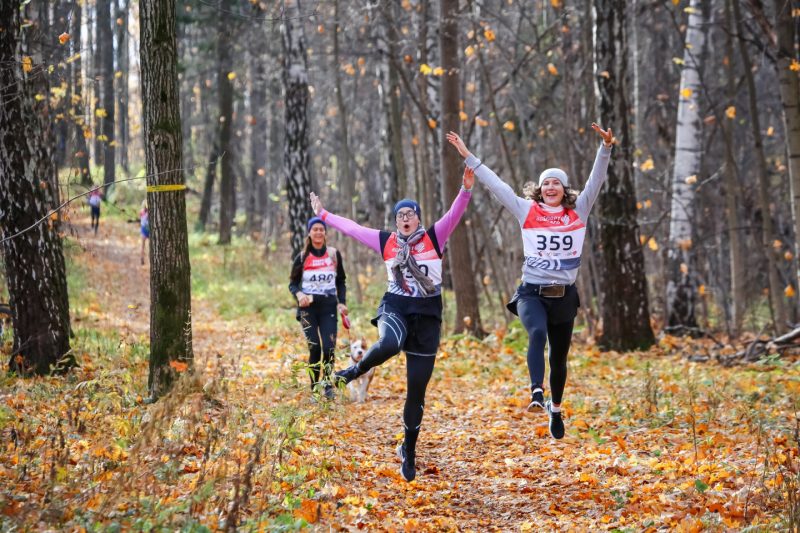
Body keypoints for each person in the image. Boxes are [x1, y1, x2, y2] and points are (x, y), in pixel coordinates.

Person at [446, 124, 615, 440]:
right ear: (539, 190)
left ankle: (556, 406)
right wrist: (468, 156)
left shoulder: (579, 210)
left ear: (565, 190)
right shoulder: (526, 210)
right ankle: (536, 392)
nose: (551, 186)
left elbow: (596, 180)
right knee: (537, 332)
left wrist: (605, 148)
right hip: (531, 292)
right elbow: (498, 187)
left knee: (559, 358)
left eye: (557, 183)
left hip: (564, 296)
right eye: (546, 183)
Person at [310, 167, 474, 482]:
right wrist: (325, 214)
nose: (406, 219)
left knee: (416, 392)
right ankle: (350, 373)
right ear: (396, 220)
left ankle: (408, 449)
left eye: (411, 214)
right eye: (401, 216)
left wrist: (465, 189)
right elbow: (354, 228)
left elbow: (456, 212)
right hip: (395, 306)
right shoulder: (386, 241)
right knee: (389, 343)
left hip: (427, 315)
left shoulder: (434, 236)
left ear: (419, 218)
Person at [288, 217, 348, 400]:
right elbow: (292, 283)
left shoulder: (333, 255)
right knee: (314, 348)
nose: (318, 232)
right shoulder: (302, 257)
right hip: (308, 310)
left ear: (325, 233)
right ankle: (314, 389)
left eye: (321, 229)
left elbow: (341, 281)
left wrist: (342, 301)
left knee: (329, 348)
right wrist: (299, 295)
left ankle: (328, 386)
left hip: (329, 306)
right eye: (315, 229)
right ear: (309, 232)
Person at [140, 200, 150, 265]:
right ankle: (149, 259)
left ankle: (142, 258)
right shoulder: (150, 213)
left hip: (143, 229)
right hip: (149, 230)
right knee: (150, 246)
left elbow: (141, 219)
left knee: (143, 246)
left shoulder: (141, 212)